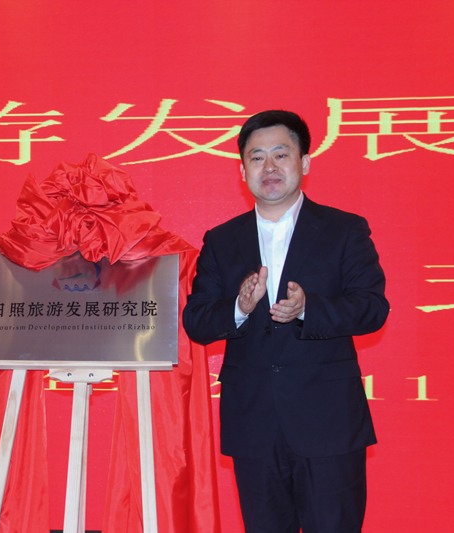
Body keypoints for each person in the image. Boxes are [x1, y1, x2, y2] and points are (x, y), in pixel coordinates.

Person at [183, 110, 389, 533]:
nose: (269, 167)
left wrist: (308, 308)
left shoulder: (344, 230)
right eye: (257, 157)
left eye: (281, 154)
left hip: (328, 423)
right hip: (253, 423)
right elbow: (196, 320)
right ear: (243, 171)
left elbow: (372, 307)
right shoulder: (221, 240)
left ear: (304, 163)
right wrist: (239, 307)